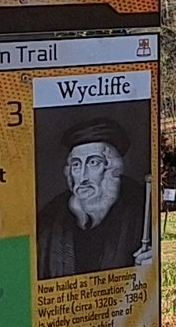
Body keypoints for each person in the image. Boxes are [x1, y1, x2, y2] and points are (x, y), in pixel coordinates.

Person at [36, 115, 151, 279]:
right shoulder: (51, 217)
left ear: (111, 168)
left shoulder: (141, 205)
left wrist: (149, 266)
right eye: (76, 165)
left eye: (93, 163)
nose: (83, 177)